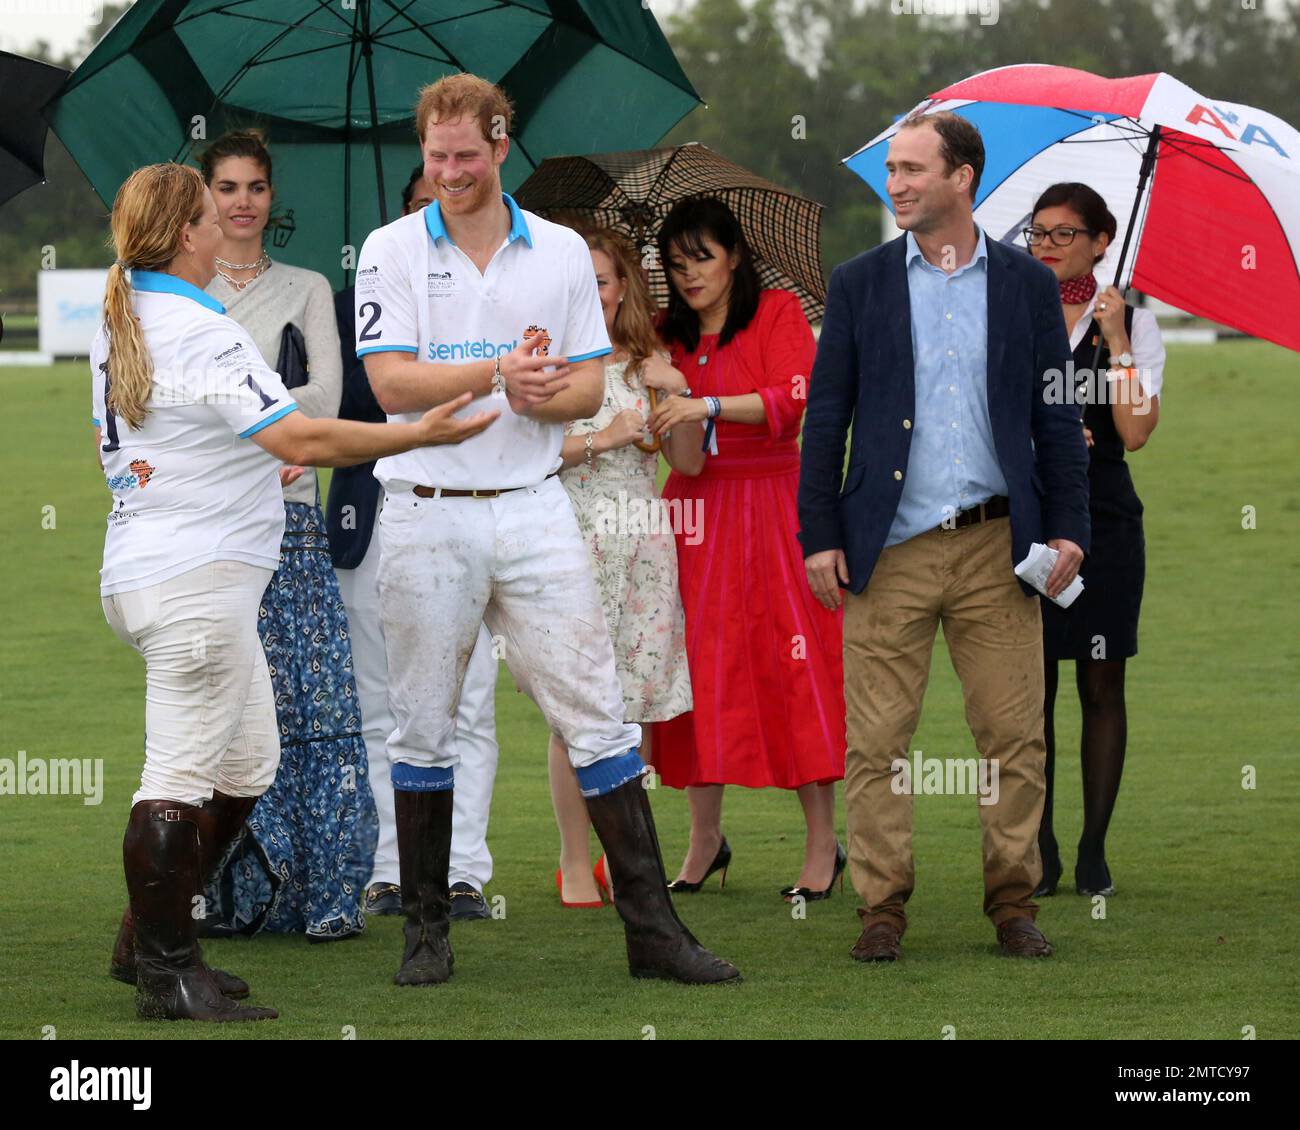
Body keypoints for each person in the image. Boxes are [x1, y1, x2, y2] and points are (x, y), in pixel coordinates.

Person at [354, 72, 737, 986]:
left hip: (534, 510)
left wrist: (536, 388)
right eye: (434, 156)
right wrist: (499, 374)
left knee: (599, 718)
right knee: (422, 728)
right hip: (425, 512)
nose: (448, 172)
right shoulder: (389, 248)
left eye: (465, 155)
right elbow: (390, 384)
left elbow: (582, 385)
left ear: (499, 146)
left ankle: (653, 932)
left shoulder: (562, 250)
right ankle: (426, 935)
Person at [96, 162, 495, 1021]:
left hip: (163, 570)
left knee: (248, 764)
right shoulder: (201, 331)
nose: (224, 225)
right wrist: (413, 431)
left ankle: (153, 940)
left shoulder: (133, 312)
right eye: (210, 212)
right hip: (196, 581)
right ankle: (166, 971)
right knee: (175, 774)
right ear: (187, 234)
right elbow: (303, 437)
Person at [798, 111, 1091, 962]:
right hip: (885, 550)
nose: (896, 184)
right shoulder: (859, 283)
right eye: (891, 169)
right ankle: (881, 910)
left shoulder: (1028, 285)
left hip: (1002, 552)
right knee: (877, 743)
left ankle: (1013, 904)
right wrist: (821, 534)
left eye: (912, 169)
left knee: (1014, 737)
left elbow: (1056, 414)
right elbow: (827, 418)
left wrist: (1070, 527)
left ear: (963, 177)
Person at [195, 129, 377, 940]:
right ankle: (218, 890)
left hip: (292, 521)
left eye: (255, 187)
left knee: (312, 703)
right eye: (227, 187)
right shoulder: (182, 290)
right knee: (220, 707)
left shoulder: (307, 286)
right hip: (210, 526)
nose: (241, 202)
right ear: (206, 197)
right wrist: (273, 411)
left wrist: (248, 416)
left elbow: (330, 402)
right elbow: (182, 406)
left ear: (273, 197)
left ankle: (318, 889)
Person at [647, 197, 846, 902]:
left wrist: (705, 405)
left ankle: (824, 843)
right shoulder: (665, 337)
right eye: (676, 263)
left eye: (702, 256)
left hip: (776, 505)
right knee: (696, 669)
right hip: (696, 510)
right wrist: (668, 393)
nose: (690, 274)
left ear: (735, 255)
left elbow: (796, 399)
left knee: (795, 666)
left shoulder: (778, 316)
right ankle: (705, 839)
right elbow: (689, 462)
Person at [328, 165, 501, 923]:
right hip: (376, 514)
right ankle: (390, 869)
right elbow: (358, 400)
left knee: (469, 704)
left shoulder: (499, 300)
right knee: (383, 705)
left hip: (477, 512)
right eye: (421, 206)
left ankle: (462, 870)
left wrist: (432, 378)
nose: (437, 214)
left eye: (450, 201)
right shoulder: (355, 303)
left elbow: (504, 397)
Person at [550, 228, 700, 908]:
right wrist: (600, 438)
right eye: (581, 281)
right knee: (572, 711)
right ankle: (574, 864)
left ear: (623, 288)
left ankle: (628, 861)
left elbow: (691, 463)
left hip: (641, 547)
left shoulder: (650, 362)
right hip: (571, 541)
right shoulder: (548, 365)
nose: (594, 292)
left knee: (633, 714)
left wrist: (682, 391)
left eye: (604, 281)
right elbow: (530, 458)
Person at [1023, 182, 1163, 898]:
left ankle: (1093, 849)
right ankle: (1039, 846)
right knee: (1031, 688)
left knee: (1101, 681)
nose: (1046, 246)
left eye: (1063, 234)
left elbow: (1135, 431)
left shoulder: (1131, 324)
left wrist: (1114, 342)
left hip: (1105, 516)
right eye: (1037, 233)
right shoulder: (1014, 314)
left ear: (1102, 241)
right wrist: (1044, 438)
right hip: (1033, 518)